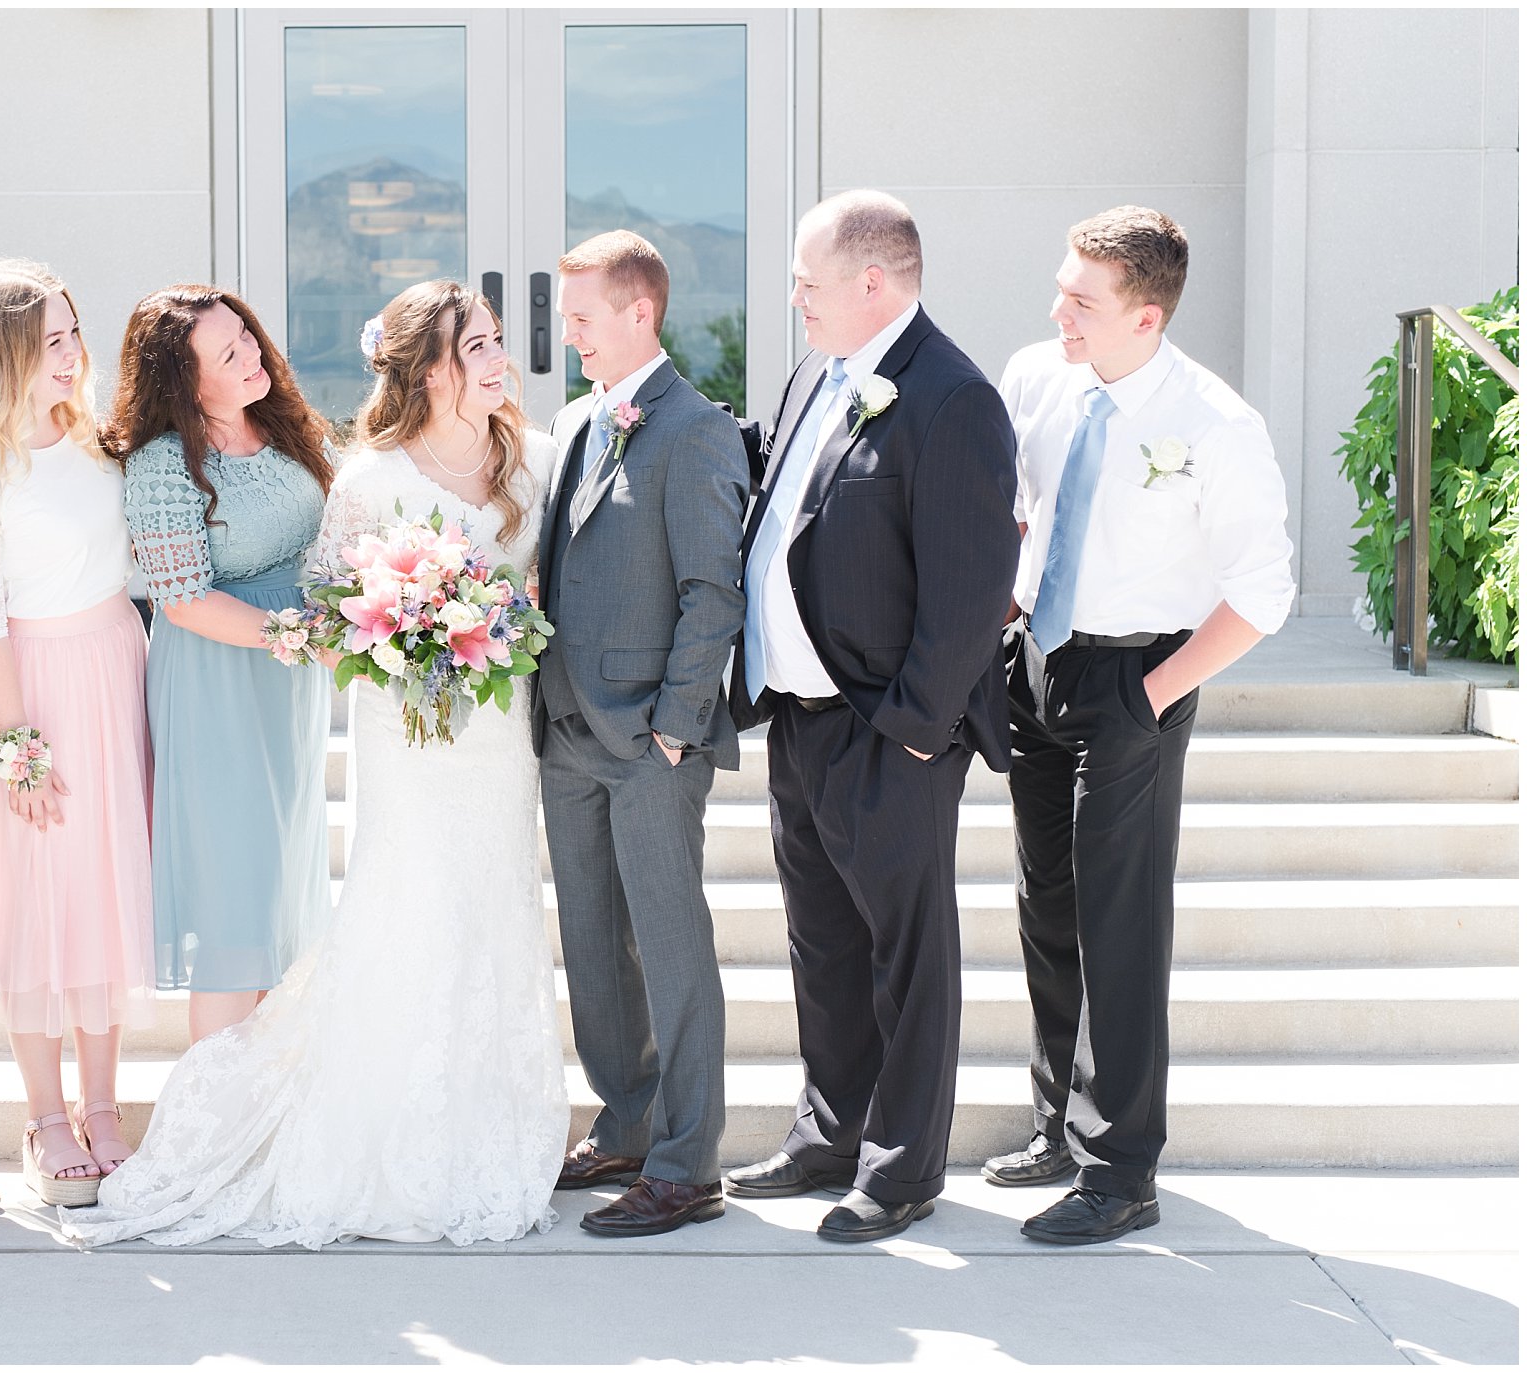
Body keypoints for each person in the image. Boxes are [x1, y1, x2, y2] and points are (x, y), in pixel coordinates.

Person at [63, 279, 568, 1249]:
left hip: (491, 728)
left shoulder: (528, 457)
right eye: (477, 345)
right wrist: (405, 622)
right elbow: (337, 589)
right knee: (390, 896)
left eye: (499, 340)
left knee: (490, 900)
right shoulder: (356, 475)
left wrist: (490, 620)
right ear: (428, 370)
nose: (497, 358)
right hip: (371, 715)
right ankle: (328, 1118)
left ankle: (481, 1111)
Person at [988, 206, 1294, 1243]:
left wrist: (1151, 695)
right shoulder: (1036, 375)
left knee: (1120, 926)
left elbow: (1263, 591)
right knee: (1046, 904)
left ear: (1145, 315)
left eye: (1080, 300)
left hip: (1137, 677)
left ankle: (1121, 1169)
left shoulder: (1215, 423)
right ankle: (1054, 1125)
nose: (1056, 312)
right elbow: (1022, 506)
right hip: (1036, 661)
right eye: (1060, 288)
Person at [726, 191, 1018, 1243]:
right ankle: (828, 1130)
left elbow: (971, 587)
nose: (794, 298)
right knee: (821, 943)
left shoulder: (949, 398)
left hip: (886, 726)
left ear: (873, 283)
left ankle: (899, 1168)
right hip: (799, 717)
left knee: (905, 950)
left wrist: (913, 726)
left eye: (807, 281)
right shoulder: (818, 371)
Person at [0, 260, 156, 1207]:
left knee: (102, 891)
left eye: (73, 332)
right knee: (36, 904)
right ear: (4, 353)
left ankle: (105, 1107)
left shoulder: (103, 442)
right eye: (52, 339)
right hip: (32, 690)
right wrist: (15, 745)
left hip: (115, 669)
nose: (73, 352)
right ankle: (45, 1115)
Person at [535, 230, 749, 1238]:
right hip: (566, 728)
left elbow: (714, 590)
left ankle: (684, 1161)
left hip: (647, 739)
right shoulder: (578, 419)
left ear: (639, 313)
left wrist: (674, 725)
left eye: (581, 315)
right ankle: (623, 1121)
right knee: (589, 942)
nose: (567, 333)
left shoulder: (695, 429)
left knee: (668, 947)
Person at [108, 286, 335, 1043]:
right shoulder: (165, 463)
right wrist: (300, 634)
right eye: (227, 352)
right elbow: (182, 599)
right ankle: (211, 1129)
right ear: (185, 381)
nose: (252, 354)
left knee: (277, 899)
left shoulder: (283, 428)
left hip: (288, 685)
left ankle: (263, 1115)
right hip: (218, 684)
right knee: (237, 908)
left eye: (247, 335)